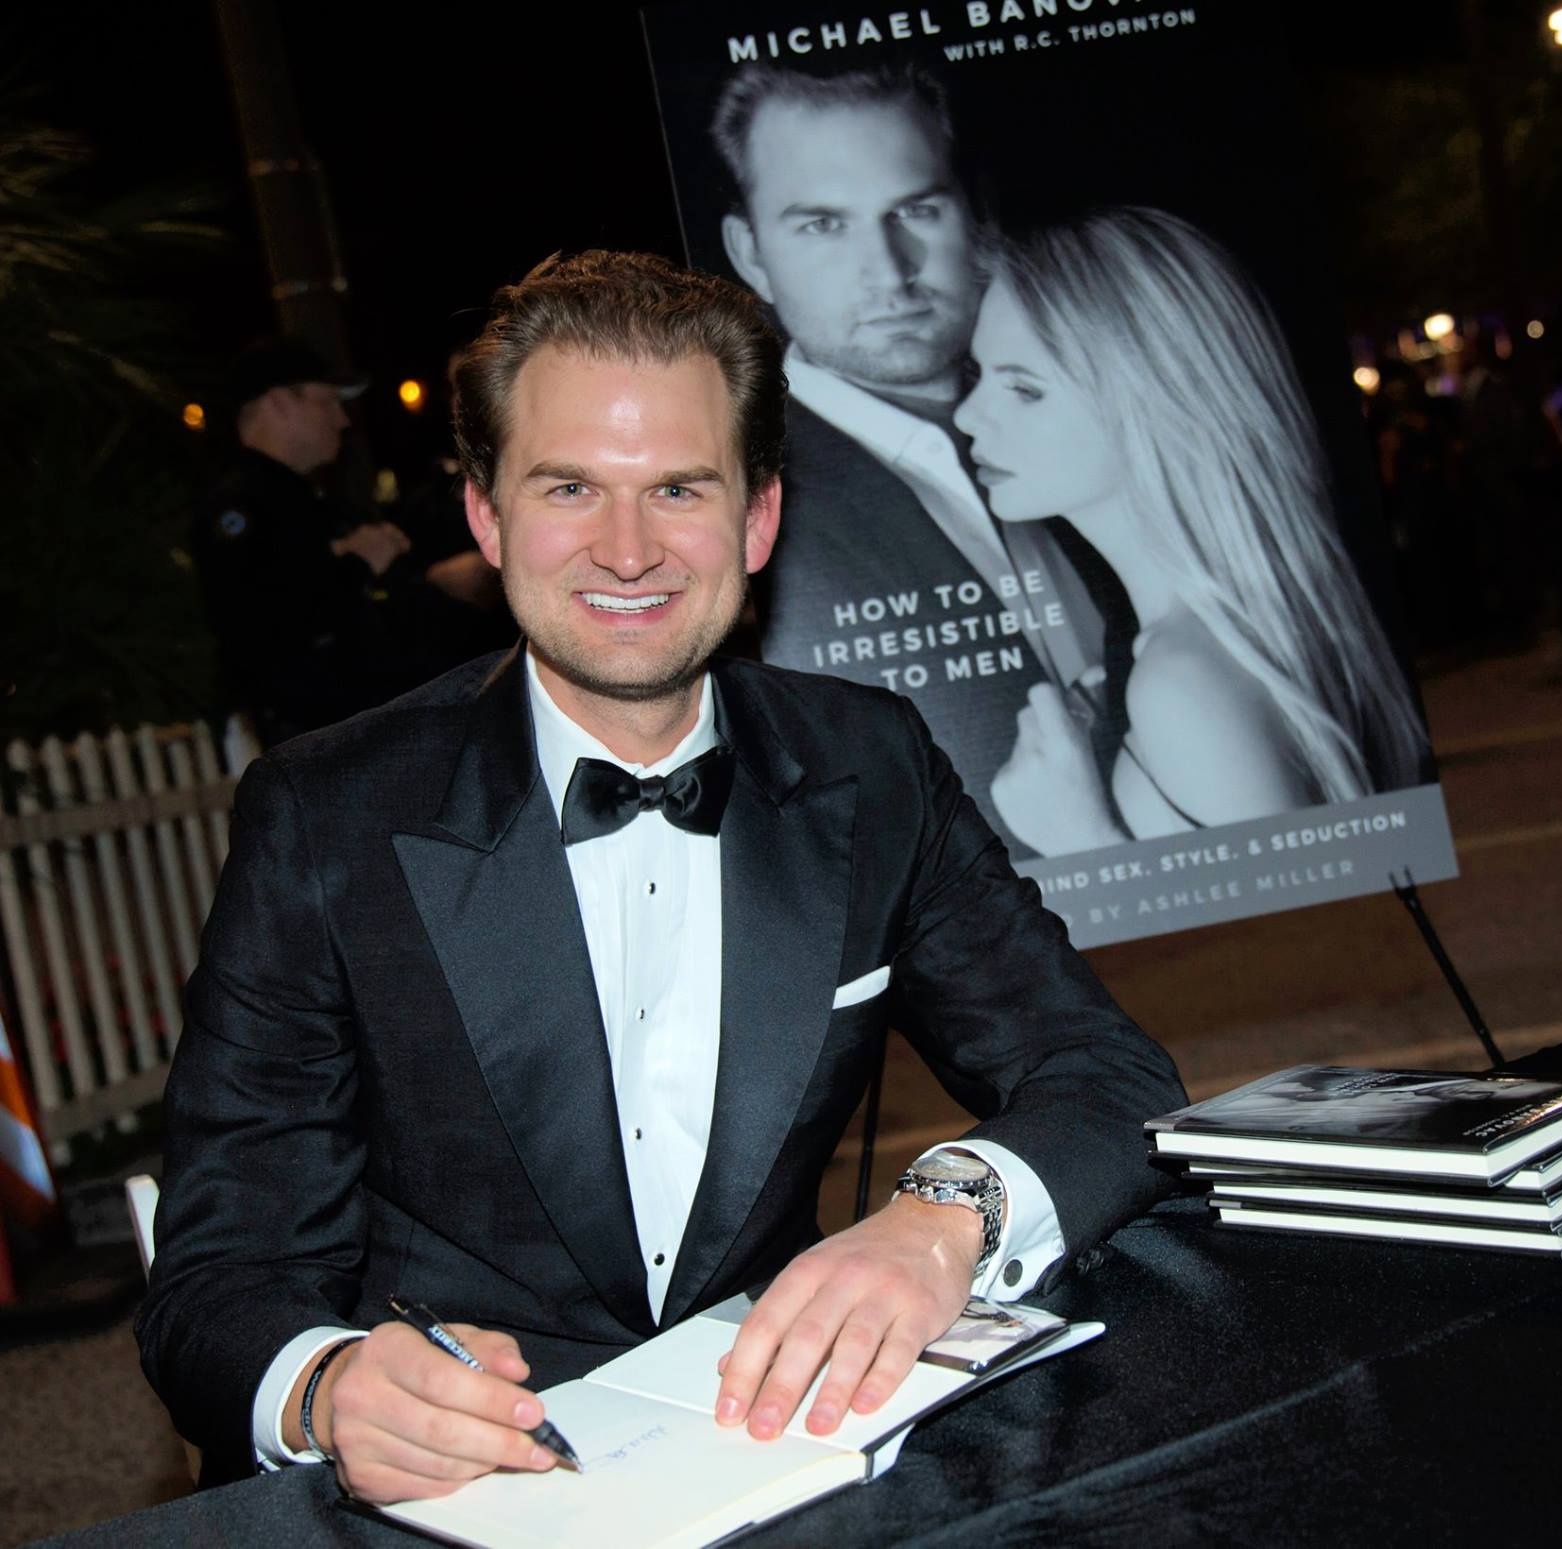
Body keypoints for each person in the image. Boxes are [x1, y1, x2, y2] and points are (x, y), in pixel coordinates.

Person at [136, 251, 1186, 1504]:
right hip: (462, 1494)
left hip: (783, 1446)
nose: (626, 550)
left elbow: (1106, 1078)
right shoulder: (327, 816)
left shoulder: (869, 763)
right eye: (569, 487)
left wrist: (938, 1220)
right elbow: (217, 1279)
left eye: (678, 488)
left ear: (758, 517)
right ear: (487, 516)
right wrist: (327, 1387)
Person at [710, 64, 1123, 854]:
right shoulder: (731, 505)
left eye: (916, 210)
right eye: (822, 225)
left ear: (978, 215)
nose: (890, 272)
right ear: (751, 253)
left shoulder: (1105, 410)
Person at [950, 207, 1432, 857]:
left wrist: (1080, 840)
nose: (969, 415)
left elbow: (1318, 917)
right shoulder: (1231, 636)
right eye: (980, 375)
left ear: (1154, 398)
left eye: (1025, 389)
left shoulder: (1183, 682)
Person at [191, 337, 415, 745]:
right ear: (278, 403)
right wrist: (356, 564)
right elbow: (263, 624)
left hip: (356, 733)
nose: (341, 420)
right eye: (327, 402)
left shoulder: (306, 500)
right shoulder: (241, 506)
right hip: (315, 743)